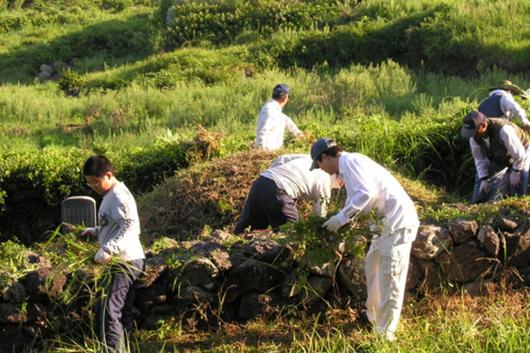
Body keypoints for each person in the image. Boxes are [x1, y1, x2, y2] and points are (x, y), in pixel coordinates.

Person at [309, 138, 419, 341]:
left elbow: (366, 193)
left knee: (390, 276)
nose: (320, 169)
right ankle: (373, 318)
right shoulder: (346, 167)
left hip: (397, 222)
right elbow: (358, 199)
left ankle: (386, 334)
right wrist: (341, 217)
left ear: (325, 157)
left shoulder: (351, 162)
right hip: (381, 225)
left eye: (318, 164)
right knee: (373, 266)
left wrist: (341, 218)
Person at [81, 155, 145, 353]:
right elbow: (114, 224)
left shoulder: (118, 195)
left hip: (125, 261)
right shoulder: (109, 195)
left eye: (95, 182)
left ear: (108, 175)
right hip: (119, 260)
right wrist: (95, 230)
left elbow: (131, 226)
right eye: (89, 183)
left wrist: (109, 249)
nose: (93, 187)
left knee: (109, 311)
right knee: (116, 310)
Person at [234, 154, 340, 234]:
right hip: (280, 191)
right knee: (291, 234)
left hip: (261, 182)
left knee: (248, 230)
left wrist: (271, 180)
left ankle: (229, 251)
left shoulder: (309, 158)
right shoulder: (325, 185)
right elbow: (319, 216)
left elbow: (281, 159)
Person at [460, 111, 530, 203]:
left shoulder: (504, 130)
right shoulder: (473, 138)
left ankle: (517, 206)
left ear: (483, 126)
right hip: (499, 154)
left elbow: (519, 153)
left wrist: (516, 171)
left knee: (517, 182)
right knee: (484, 182)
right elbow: (480, 159)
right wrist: (484, 179)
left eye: (474, 131)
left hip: (521, 150)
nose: (471, 136)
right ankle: (478, 206)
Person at [254, 83, 304, 151]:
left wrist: (301, 135)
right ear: (285, 97)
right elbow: (262, 131)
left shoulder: (276, 111)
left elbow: (288, 122)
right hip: (267, 152)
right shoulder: (269, 109)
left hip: (275, 152)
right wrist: (260, 151)